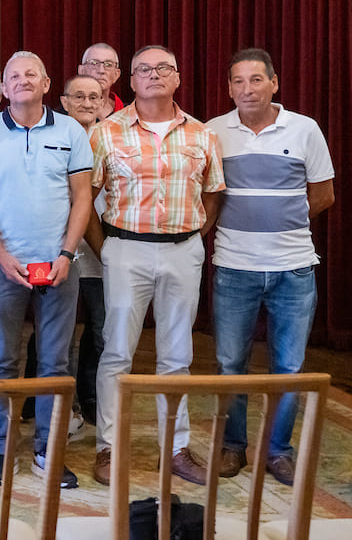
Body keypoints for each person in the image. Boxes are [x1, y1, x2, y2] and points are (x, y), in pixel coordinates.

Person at [88, 45, 225, 486]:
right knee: (116, 353)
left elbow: (213, 192)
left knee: (177, 355)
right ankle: (109, 447)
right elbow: (84, 199)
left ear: (178, 77)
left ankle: (177, 447)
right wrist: (105, 248)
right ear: (130, 80)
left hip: (183, 251)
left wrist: (190, 237)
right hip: (125, 250)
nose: (153, 75)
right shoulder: (105, 133)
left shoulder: (203, 135)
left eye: (163, 67)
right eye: (143, 69)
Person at [206, 48, 334, 485]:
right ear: (229, 88)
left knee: (289, 366)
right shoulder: (213, 131)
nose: (247, 89)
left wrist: (281, 225)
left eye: (256, 80)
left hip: (294, 269)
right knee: (229, 364)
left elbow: (323, 194)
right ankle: (232, 446)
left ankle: (278, 451)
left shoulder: (304, 129)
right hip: (234, 267)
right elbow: (209, 196)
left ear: (274, 83)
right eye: (238, 82)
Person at [0, 52, 93, 489]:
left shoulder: (71, 130)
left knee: (55, 363)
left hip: (59, 266)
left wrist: (66, 254)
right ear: (3, 88)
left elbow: (82, 198)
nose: (21, 81)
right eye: (13, 76)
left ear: (45, 83)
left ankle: (47, 450)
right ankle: (3, 449)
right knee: (2, 359)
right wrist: (0, 255)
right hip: (2, 266)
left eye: (30, 75)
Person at [58, 74, 107, 424]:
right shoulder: (53, 135)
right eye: (79, 97)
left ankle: (90, 399)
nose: (87, 104)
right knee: (60, 333)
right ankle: (60, 403)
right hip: (63, 248)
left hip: (105, 252)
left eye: (94, 97)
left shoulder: (113, 136)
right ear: (63, 102)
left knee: (101, 330)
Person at [78, 43, 124, 120]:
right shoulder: (66, 114)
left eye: (108, 65)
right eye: (94, 63)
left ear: (116, 74)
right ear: (81, 71)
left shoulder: (130, 114)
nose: (101, 70)